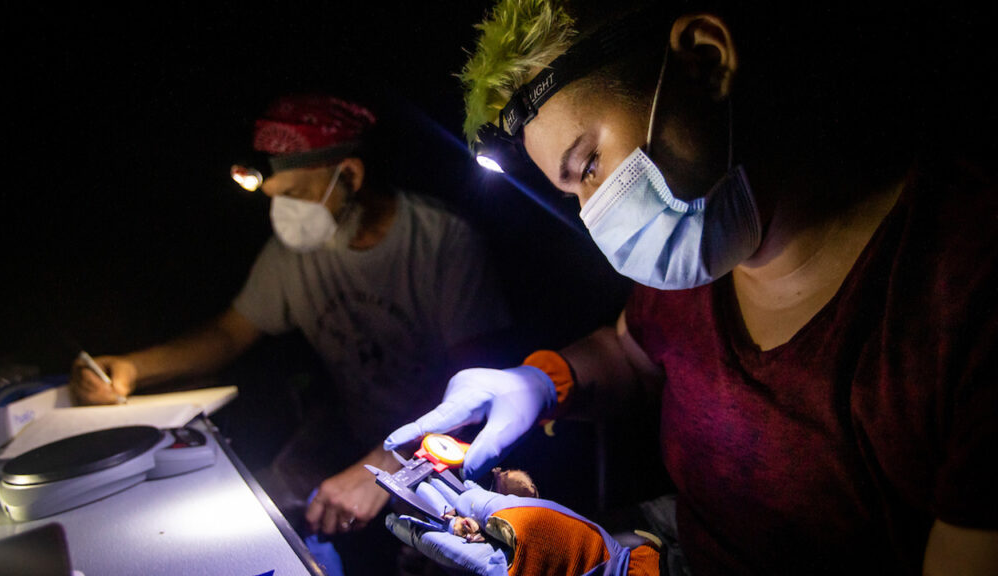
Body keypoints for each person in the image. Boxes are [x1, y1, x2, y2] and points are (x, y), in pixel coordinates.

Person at [382, 1, 996, 575]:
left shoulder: (961, 291)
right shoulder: (711, 243)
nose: (597, 218)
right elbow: (631, 352)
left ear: (704, 62)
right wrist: (540, 384)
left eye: (590, 164)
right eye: (574, 195)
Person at [70, 92, 515, 575]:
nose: (281, 213)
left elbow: (476, 390)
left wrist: (390, 466)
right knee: (256, 511)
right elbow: (228, 334)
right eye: (273, 198)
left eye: (295, 195)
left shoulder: (443, 243)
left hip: (446, 450)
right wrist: (135, 367)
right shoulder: (294, 255)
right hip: (352, 434)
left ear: (350, 176)